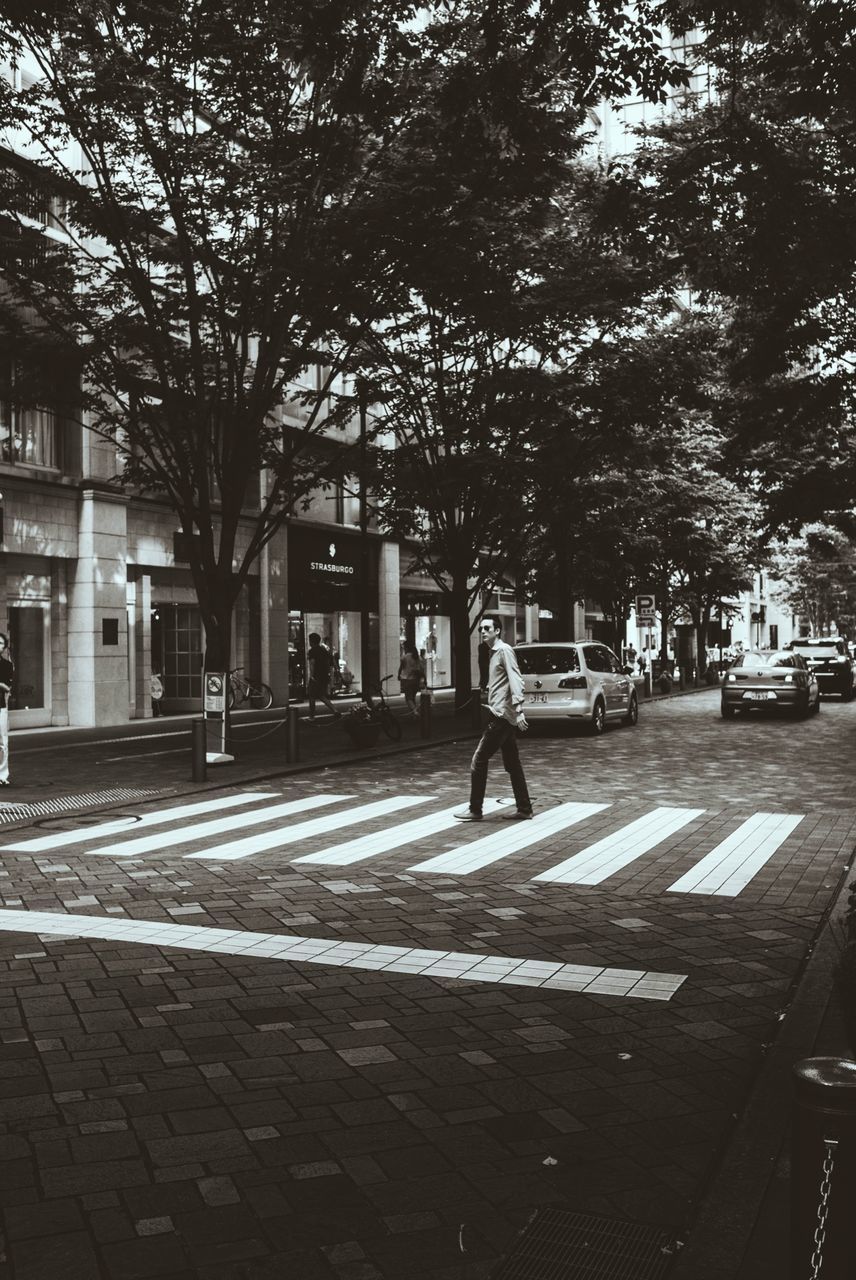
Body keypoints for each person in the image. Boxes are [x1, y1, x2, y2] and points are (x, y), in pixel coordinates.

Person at [454, 615, 533, 821]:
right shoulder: (492, 652)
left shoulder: (504, 650)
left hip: (501, 715)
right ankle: (524, 808)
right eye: (481, 628)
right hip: (501, 713)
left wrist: (519, 708)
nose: (483, 631)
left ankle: (475, 809)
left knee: (479, 760)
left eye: (487, 628)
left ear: (497, 631)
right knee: (512, 764)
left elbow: (516, 679)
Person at [306, 632, 340, 722]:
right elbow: (330, 662)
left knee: (312, 696)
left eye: (309, 640)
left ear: (312, 641)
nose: (309, 642)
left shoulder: (312, 651)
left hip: (316, 677)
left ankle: (312, 716)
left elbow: (312, 664)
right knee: (321, 695)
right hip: (324, 676)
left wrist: (311, 676)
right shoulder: (324, 650)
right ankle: (335, 710)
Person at [397, 643, 425, 716]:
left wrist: (398, 675)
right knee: (412, 697)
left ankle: (415, 712)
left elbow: (401, 667)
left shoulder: (405, 657)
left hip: (407, 679)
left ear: (407, 648)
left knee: (408, 699)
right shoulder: (417, 657)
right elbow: (422, 668)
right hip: (416, 680)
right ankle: (414, 714)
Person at [0, 633, 13, 785]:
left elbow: (8, 687)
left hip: (1, 706)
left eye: (1, 643)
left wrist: (3, 686)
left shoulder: (7, 665)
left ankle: (2, 775)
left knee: (3, 742)